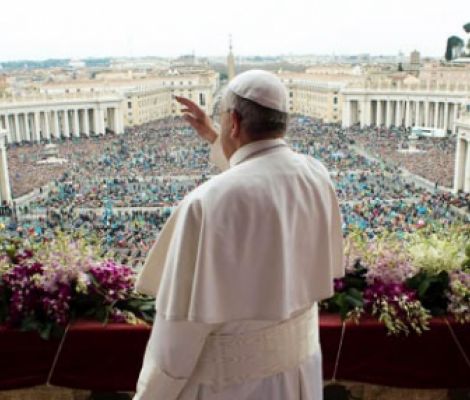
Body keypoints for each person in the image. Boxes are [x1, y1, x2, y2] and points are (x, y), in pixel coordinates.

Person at [133, 70, 344, 400]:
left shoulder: (205, 204)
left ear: (234, 121)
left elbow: (176, 339)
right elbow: (262, 177)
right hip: (301, 375)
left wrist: (149, 394)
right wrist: (216, 137)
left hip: (232, 389)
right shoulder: (316, 175)